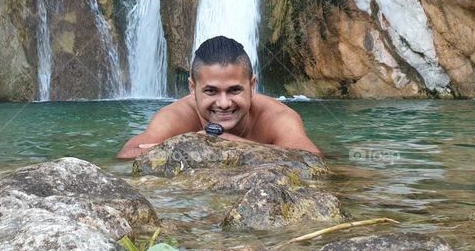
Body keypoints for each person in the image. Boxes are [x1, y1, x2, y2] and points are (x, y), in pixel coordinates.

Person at [117, 35, 324, 159]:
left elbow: (310, 158)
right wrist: (184, 144)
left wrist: (223, 141)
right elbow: (128, 154)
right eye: (211, 91)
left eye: (234, 90)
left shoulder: (277, 117)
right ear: (192, 88)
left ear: (252, 86)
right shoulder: (178, 115)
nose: (224, 103)